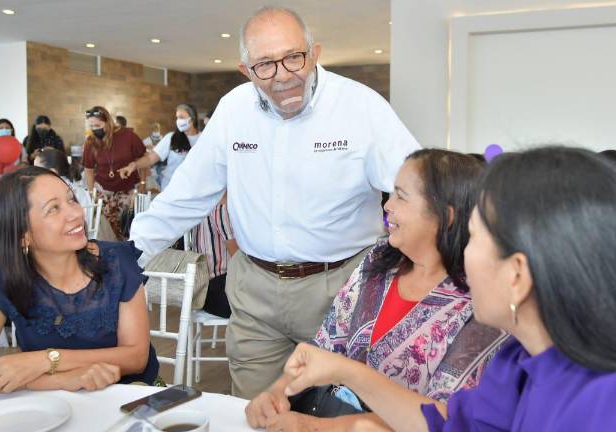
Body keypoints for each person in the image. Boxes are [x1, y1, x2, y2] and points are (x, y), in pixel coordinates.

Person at [281, 147, 616, 432]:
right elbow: (450, 425)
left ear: (517, 275)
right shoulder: (526, 359)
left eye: (474, 239)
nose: (462, 256)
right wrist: (347, 378)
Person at [129, 6, 420, 398]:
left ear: (314, 52)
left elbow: (416, 190)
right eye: (265, 64)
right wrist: (130, 256)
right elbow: (187, 193)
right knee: (254, 411)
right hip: (255, 290)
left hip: (344, 288)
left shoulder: (361, 107)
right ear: (245, 69)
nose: (282, 76)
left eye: (293, 58)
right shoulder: (233, 109)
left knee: (345, 409)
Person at [245, 150, 506, 430]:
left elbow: (443, 419)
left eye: (401, 196)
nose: (387, 206)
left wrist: (314, 427)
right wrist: (277, 392)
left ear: (447, 215)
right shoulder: (380, 260)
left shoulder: (479, 305)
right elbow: (325, 345)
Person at [0, 166, 159, 393]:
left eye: (71, 199)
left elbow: (135, 357)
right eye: (54, 209)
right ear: (22, 235)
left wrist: (46, 360)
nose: (76, 213)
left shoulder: (117, 262)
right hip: (49, 407)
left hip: (130, 398)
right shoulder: (8, 278)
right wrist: (62, 380)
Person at [82, 106, 147, 241]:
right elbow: (88, 169)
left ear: (108, 121)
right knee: (108, 229)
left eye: (98, 125)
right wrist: (90, 192)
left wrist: (142, 183)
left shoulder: (128, 136)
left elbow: (143, 160)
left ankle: (129, 251)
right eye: (92, 126)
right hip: (105, 191)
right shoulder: (91, 142)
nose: (95, 129)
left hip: (128, 189)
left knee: (128, 225)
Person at [119, 104, 201, 191]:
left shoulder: (204, 139)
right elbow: (150, 158)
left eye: (181, 117)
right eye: (177, 118)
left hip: (194, 190)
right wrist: (134, 165)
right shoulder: (171, 138)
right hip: (171, 189)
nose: (178, 121)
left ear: (192, 119)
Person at [0, 118, 27, 187]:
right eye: (1, 128)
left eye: (7, 128)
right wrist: (2, 158)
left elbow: (24, 161)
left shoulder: (18, 144)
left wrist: (16, 169)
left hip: (14, 177)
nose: (4, 129)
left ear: (11, 130)